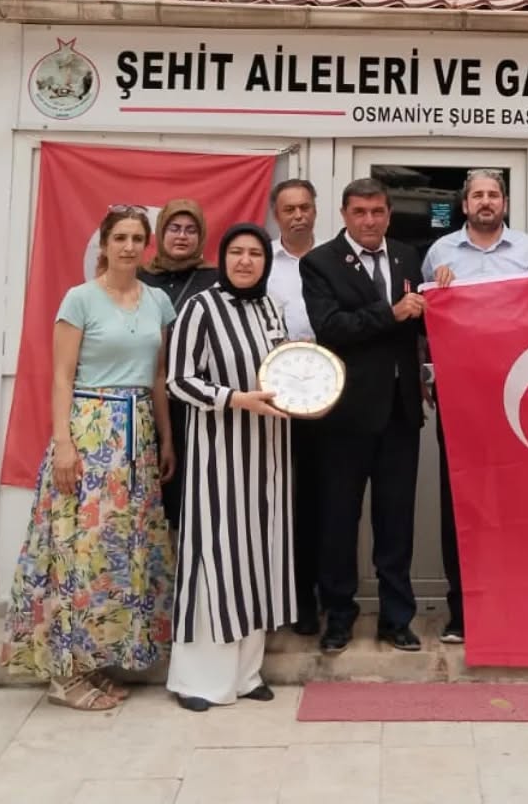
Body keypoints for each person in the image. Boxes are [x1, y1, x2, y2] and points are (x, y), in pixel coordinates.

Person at [2, 205, 176, 709]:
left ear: (148, 245)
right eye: (119, 237)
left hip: (138, 432)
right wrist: (63, 442)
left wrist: (166, 439)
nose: (127, 246)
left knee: (119, 554)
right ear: (102, 244)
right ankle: (63, 674)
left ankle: (94, 661)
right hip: (90, 430)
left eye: (136, 238)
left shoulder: (158, 301)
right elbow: (61, 375)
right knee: (79, 549)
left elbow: (159, 377)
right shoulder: (79, 300)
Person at [167, 223, 293, 709]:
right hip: (218, 455)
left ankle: (246, 674)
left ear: (266, 262)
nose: (245, 261)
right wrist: (233, 399)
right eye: (237, 253)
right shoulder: (200, 308)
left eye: (255, 254)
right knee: (215, 559)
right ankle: (199, 680)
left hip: (269, 454)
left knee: (260, 557)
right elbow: (179, 379)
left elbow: (288, 368)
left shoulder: (270, 307)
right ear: (223, 258)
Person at [300, 178, 425, 654]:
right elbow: (330, 328)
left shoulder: (408, 257)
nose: (369, 221)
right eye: (359, 212)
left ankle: (397, 618)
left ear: (389, 214)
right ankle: (339, 615)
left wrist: (447, 297)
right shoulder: (321, 262)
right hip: (345, 415)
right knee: (339, 520)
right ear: (345, 215)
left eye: (377, 212)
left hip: (399, 412)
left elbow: (423, 322)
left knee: (396, 521)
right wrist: (390, 314)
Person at [421, 169, 528, 645]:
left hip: (520, 397)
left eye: (494, 194)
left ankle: (515, 607)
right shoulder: (440, 254)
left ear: (505, 203)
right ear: (464, 204)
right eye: (478, 195)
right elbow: (426, 323)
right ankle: (462, 612)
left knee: (519, 505)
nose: (486, 202)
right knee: (462, 504)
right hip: (462, 398)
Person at [139, 198, 218, 530]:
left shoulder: (216, 278)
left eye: (190, 230)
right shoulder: (139, 278)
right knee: (146, 496)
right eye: (174, 228)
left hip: (195, 403)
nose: (182, 236)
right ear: (160, 232)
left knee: (192, 498)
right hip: (143, 398)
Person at [266, 178, 322, 636]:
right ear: (277, 214)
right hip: (274, 398)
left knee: (317, 503)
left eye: (305, 207)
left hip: (328, 395)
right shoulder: (262, 261)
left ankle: (308, 599)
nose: (298, 215)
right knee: (274, 501)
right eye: (289, 209)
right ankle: (270, 600)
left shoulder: (333, 260)